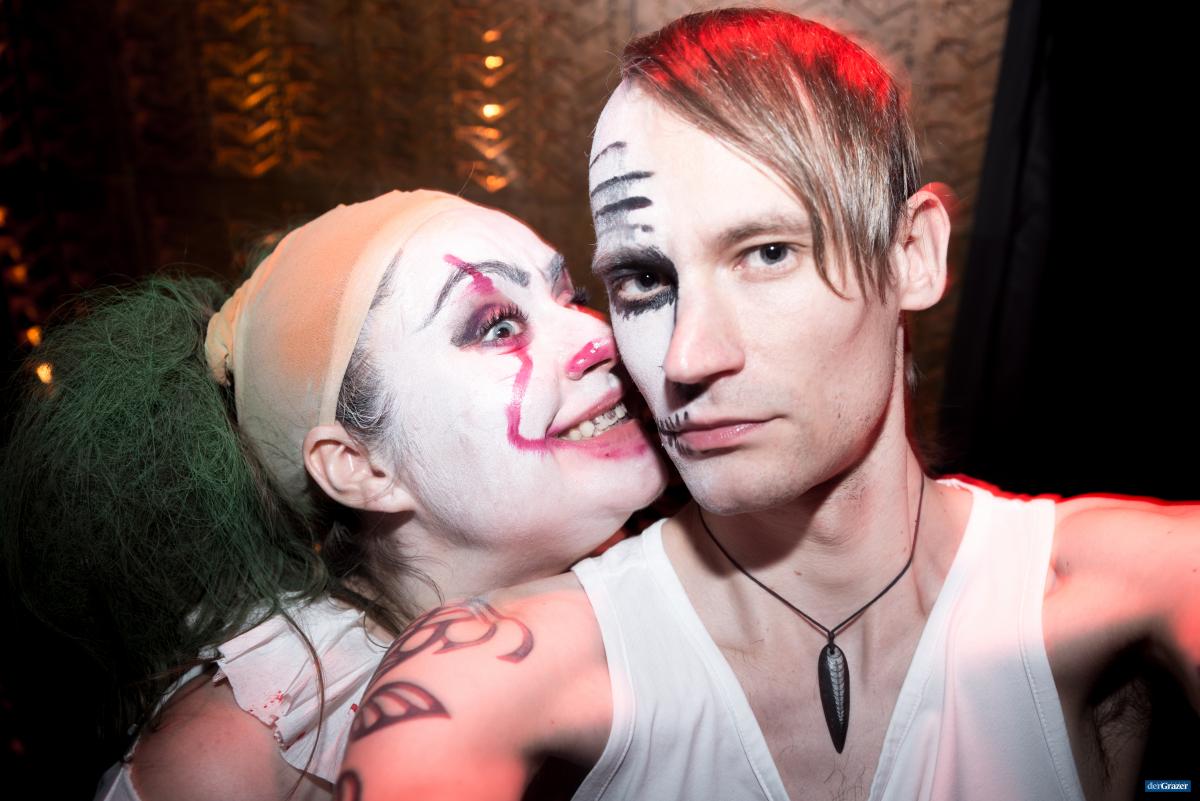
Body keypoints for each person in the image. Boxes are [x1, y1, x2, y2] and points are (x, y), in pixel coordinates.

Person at [341, 9, 1200, 801]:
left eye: (766, 253)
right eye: (643, 279)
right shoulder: (493, 673)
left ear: (913, 255)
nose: (687, 356)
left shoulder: (1129, 583)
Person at [0, 190, 666, 801]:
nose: (600, 335)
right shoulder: (231, 758)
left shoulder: (686, 572)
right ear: (358, 467)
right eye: (496, 326)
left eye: (568, 296)